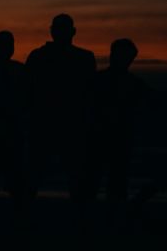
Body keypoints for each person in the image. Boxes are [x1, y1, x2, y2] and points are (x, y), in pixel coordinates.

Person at [25, 14, 95, 206]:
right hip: (60, 125)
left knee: (37, 177)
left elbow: (27, 92)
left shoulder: (39, 56)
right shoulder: (84, 59)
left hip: (54, 125)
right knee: (71, 178)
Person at [84, 39, 149, 217]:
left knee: (108, 184)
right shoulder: (133, 84)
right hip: (104, 140)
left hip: (113, 140)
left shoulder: (99, 81)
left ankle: (95, 220)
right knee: (102, 183)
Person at [0, 31, 28, 218]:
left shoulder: (19, 70)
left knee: (12, 180)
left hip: (10, 131)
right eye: (4, 45)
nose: (7, 49)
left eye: (9, 45)